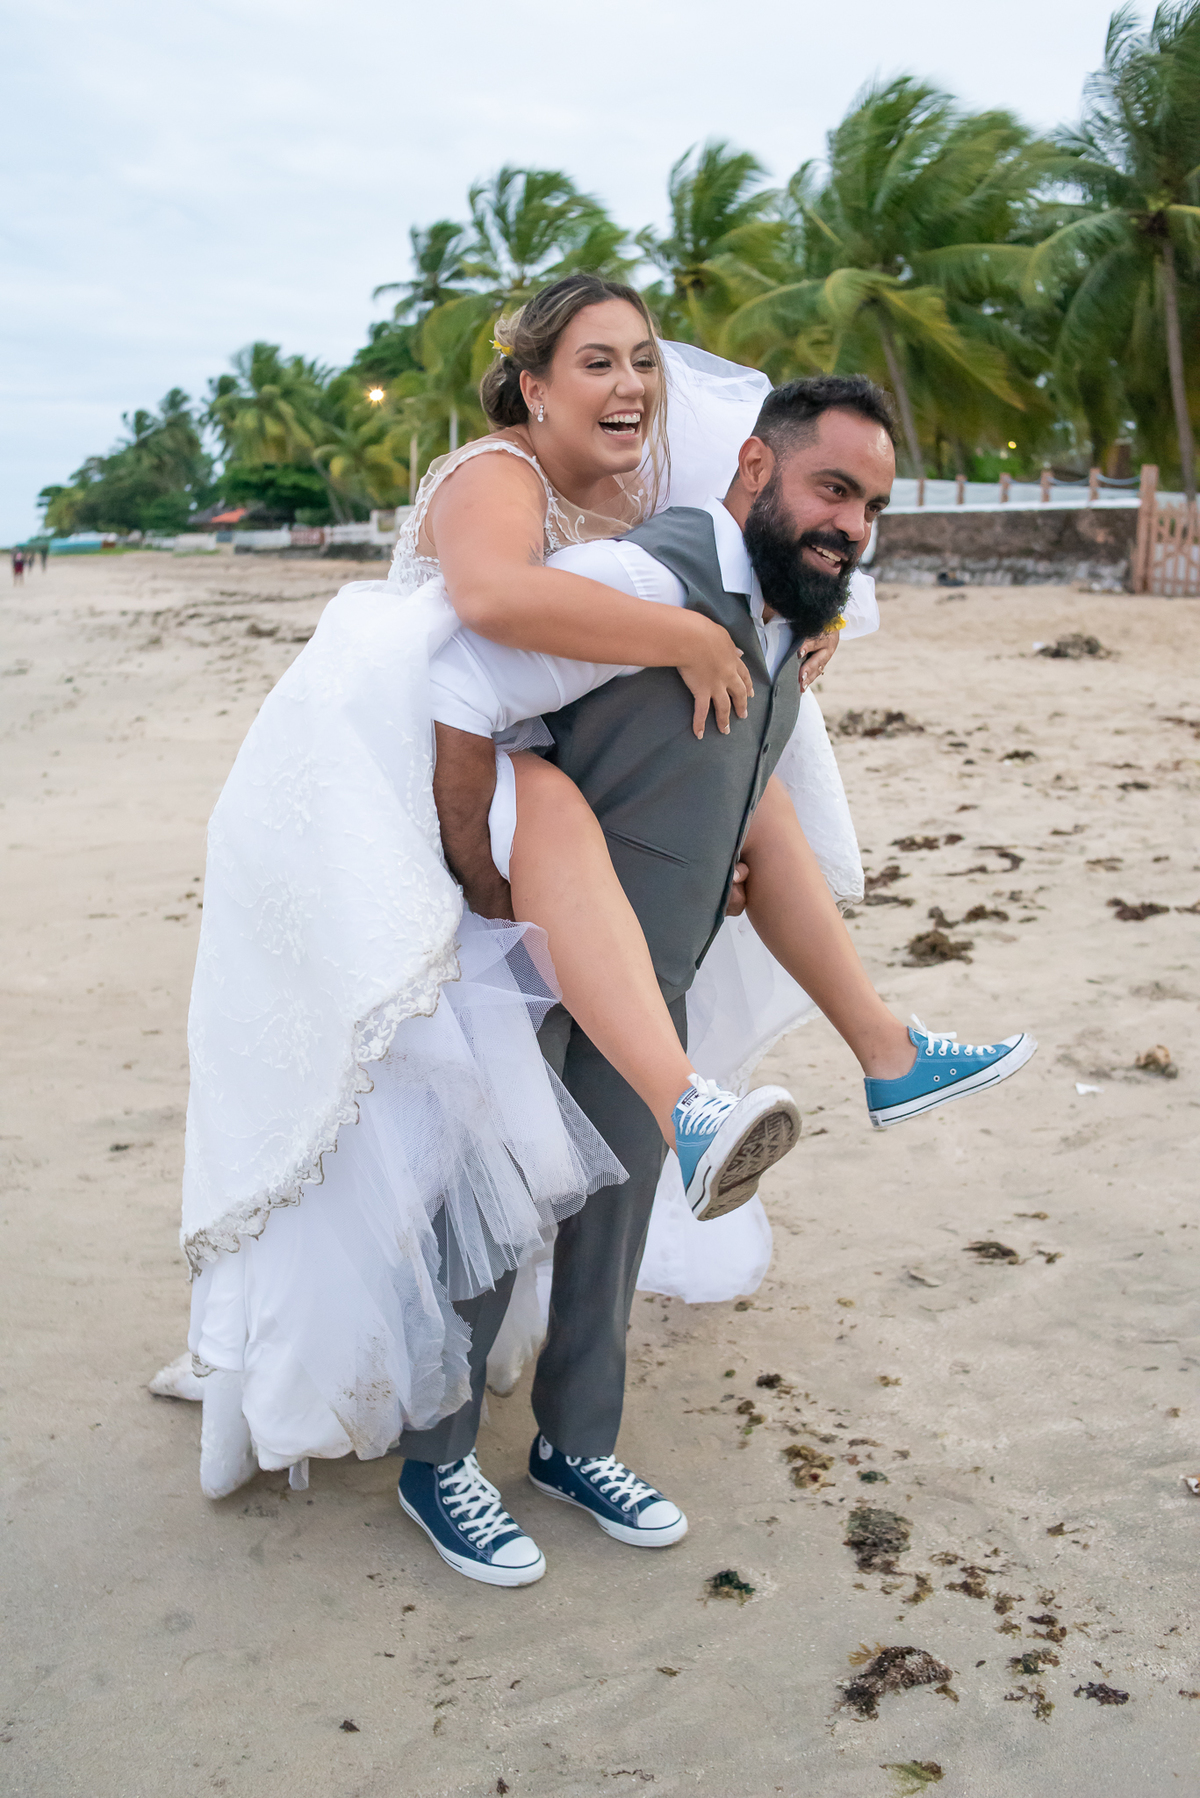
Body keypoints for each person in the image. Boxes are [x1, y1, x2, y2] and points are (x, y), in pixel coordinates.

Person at [172, 278, 1034, 1580]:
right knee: (488, 1197)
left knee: (616, 1198)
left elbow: (745, 659)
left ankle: (580, 1439)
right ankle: (439, 1462)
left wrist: (786, 663)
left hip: (620, 910)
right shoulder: (534, 500)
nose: (631, 385)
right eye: (596, 362)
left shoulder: (681, 539)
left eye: (643, 362)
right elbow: (479, 635)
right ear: (533, 385)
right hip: (480, 859)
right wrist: (493, 859)